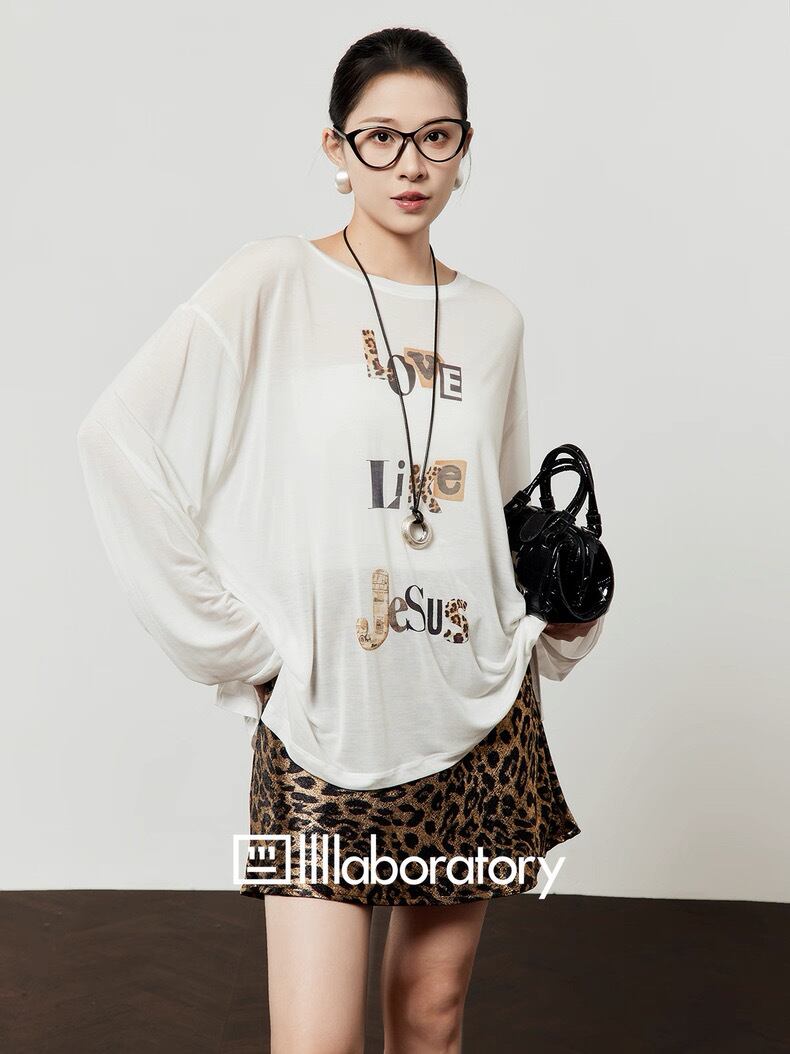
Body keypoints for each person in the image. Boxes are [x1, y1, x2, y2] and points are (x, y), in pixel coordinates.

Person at [77, 25, 606, 1054]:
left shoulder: (494, 320)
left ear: (464, 147)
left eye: (436, 136)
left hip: (475, 712)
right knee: (316, 1041)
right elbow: (117, 438)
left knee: (432, 1019)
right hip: (327, 716)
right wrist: (238, 644)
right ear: (336, 149)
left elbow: (500, 515)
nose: (411, 163)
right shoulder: (272, 279)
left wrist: (561, 622)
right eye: (381, 137)